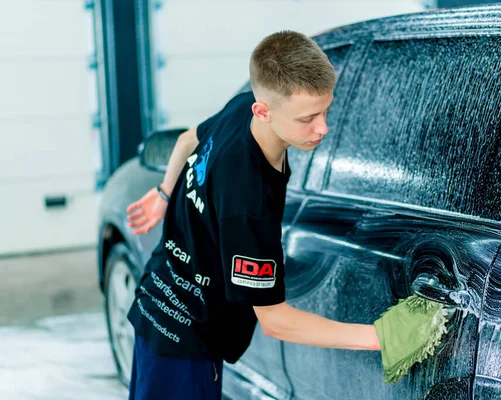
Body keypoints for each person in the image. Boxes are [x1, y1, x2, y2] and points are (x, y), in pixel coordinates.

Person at [125, 30, 381, 400]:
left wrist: (165, 192)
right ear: (264, 110)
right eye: (307, 118)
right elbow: (276, 322)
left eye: (326, 110)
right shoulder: (249, 201)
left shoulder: (240, 108)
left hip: (157, 301)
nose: (322, 127)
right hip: (185, 341)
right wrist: (380, 337)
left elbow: (185, 140)